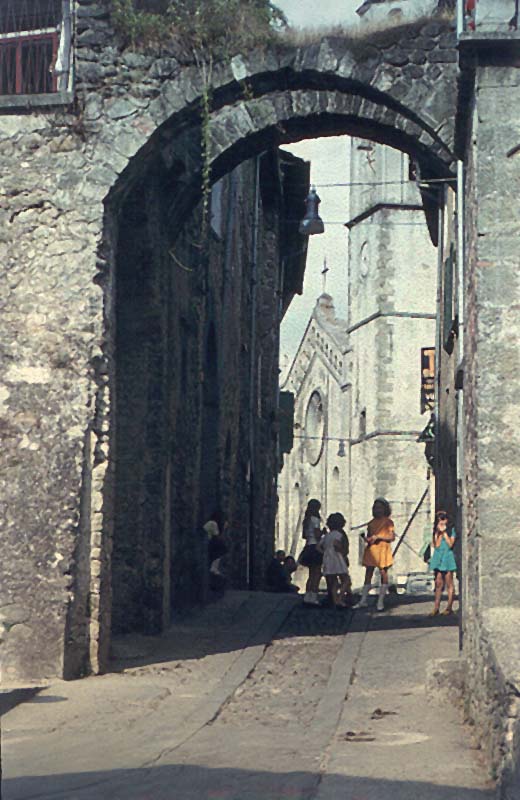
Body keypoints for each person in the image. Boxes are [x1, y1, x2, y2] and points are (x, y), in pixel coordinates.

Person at [355, 497, 396, 612]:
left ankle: (380, 601)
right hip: (372, 550)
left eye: (380, 508)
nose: (377, 510)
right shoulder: (371, 523)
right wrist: (367, 539)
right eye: (375, 508)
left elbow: (391, 537)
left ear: (385, 509)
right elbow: (370, 537)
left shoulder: (388, 522)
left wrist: (378, 537)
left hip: (383, 549)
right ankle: (363, 600)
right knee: (368, 574)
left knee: (383, 573)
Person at [318, 512, 351, 608]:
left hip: (328, 559)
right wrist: (341, 552)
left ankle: (335, 599)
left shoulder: (327, 535)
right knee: (346, 579)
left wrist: (325, 552)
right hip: (338, 559)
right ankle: (340, 598)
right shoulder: (340, 535)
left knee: (333, 581)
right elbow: (339, 546)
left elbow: (318, 546)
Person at [428, 510, 457, 616]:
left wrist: (444, 533)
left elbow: (450, 544)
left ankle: (449, 607)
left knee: (449, 582)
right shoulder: (436, 532)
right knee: (438, 583)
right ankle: (436, 607)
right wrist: (438, 533)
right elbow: (437, 545)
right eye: (440, 521)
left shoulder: (452, 531)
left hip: (447, 557)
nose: (442, 523)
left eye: (444, 520)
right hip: (439, 556)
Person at [298, 498, 323, 606]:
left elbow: (304, 536)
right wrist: (323, 533)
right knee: (316, 573)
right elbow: (317, 535)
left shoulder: (306, 520)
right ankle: (313, 596)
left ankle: (307, 596)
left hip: (308, 546)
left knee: (311, 574)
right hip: (315, 547)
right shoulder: (315, 520)